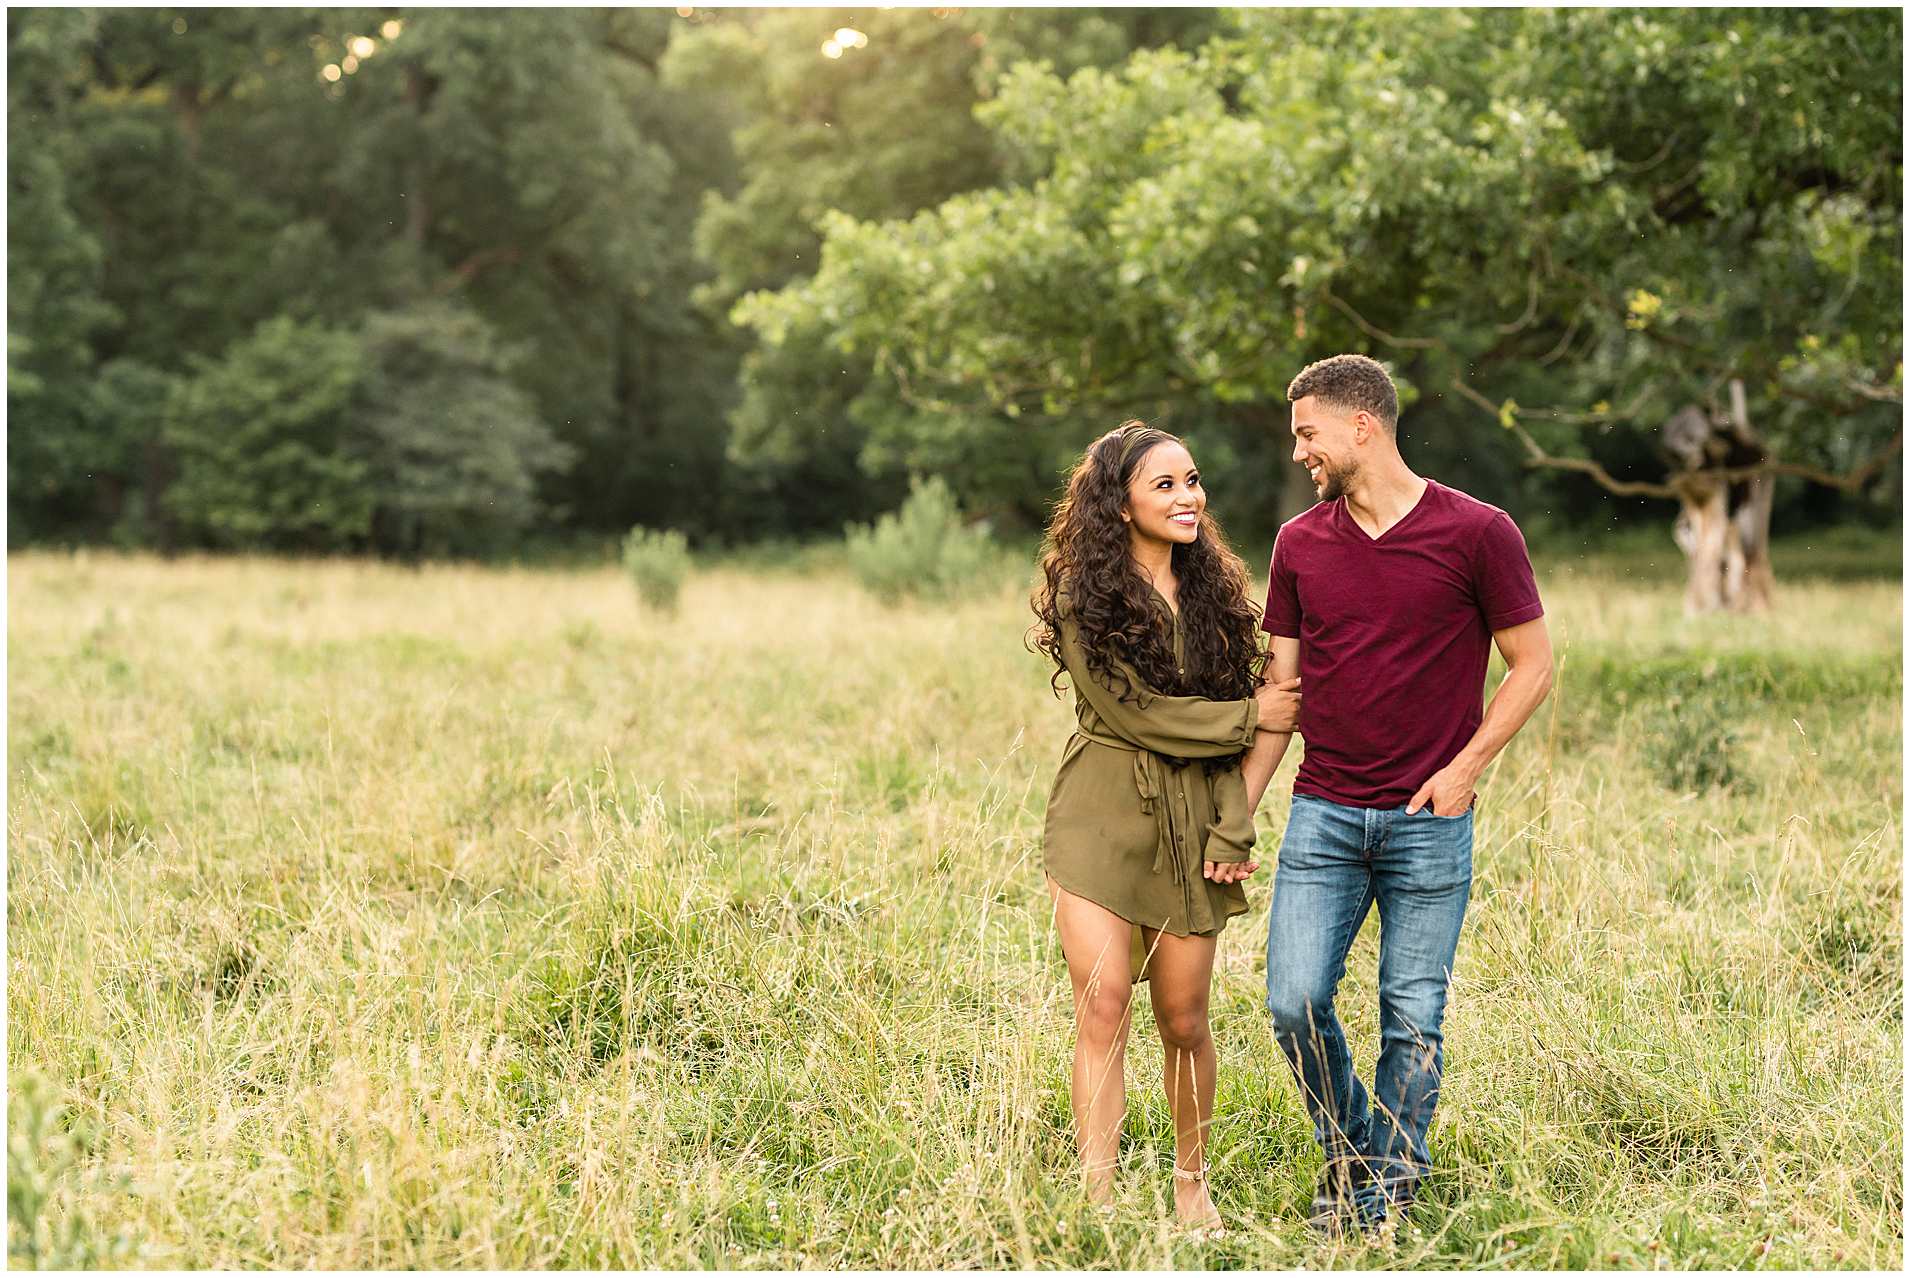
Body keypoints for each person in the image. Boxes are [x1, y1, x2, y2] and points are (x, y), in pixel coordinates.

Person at [1239, 354, 1554, 1236]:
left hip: (1430, 821)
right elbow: (1283, 697)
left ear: (1361, 425)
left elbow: (1532, 668)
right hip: (1324, 813)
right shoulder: (1300, 544)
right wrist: (1238, 814)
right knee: (1293, 1002)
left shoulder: (1479, 532)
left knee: (1412, 1018)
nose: (1301, 450)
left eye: (1308, 432)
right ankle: (1366, 1152)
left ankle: (1385, 1199)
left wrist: (1466, 768)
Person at [1030, 421, 1301, 1230]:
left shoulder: (1216, 591)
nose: (1189, 498)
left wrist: (1233, 824)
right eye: (1166, 486)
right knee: (1103, 1007)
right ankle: (1099, 1200)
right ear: (1118, 505)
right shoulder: (1085, 595)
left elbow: (1269, 724)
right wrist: (1248, 713)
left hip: (1195, 820)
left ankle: (1192, 1187)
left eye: (1193, 481)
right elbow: (1136, 714)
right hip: (1099, 819)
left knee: (1184, 1019)